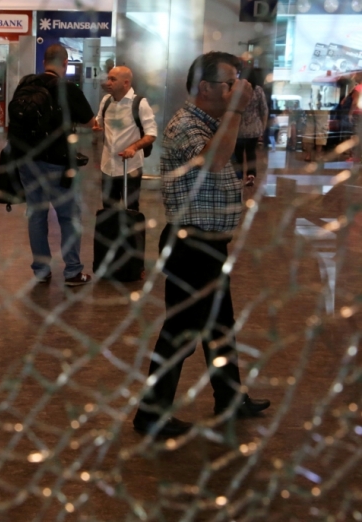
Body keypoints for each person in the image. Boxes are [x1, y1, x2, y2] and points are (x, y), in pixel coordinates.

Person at [132, 52, 270, 438]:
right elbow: (212, 160)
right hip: (191, 248)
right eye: (229, 83)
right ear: (204, 88)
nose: (236, 89)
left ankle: (230, 397)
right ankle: (150, 414)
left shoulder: (208, 121)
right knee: (181, 333)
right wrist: (237, 112)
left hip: (208, 246)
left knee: (219, 328)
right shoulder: (185, 124)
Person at [8, 44, 96, 286]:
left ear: (45, 61)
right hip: (58, 163)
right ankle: (72, 272)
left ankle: (41, 271)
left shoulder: (25, 85)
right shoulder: (67, 89)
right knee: (69, 217)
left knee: (36, 215)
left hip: (27, 162)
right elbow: (90, 122)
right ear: (65, 63)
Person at [94, 65, 157, 211]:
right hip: (107, 166)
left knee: (131, 209)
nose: (108, 82)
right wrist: (96, 127)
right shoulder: (106, 101)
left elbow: (151, 134)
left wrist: (133, 147)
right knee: (108, 209)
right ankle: (112, 234)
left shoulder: (140, 104)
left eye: (113, 79)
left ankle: (131, 234)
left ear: (126, 83)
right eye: (108, 78)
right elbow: (99, 123)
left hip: (130, 168)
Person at [234, 70, 267, 183]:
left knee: (238, 153)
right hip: (254, 128)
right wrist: (263, 127)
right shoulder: (258, 90)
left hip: (238, 127)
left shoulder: (236, 89)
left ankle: (238, 176)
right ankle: (251, 177)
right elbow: (264, 110)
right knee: (251, 153)